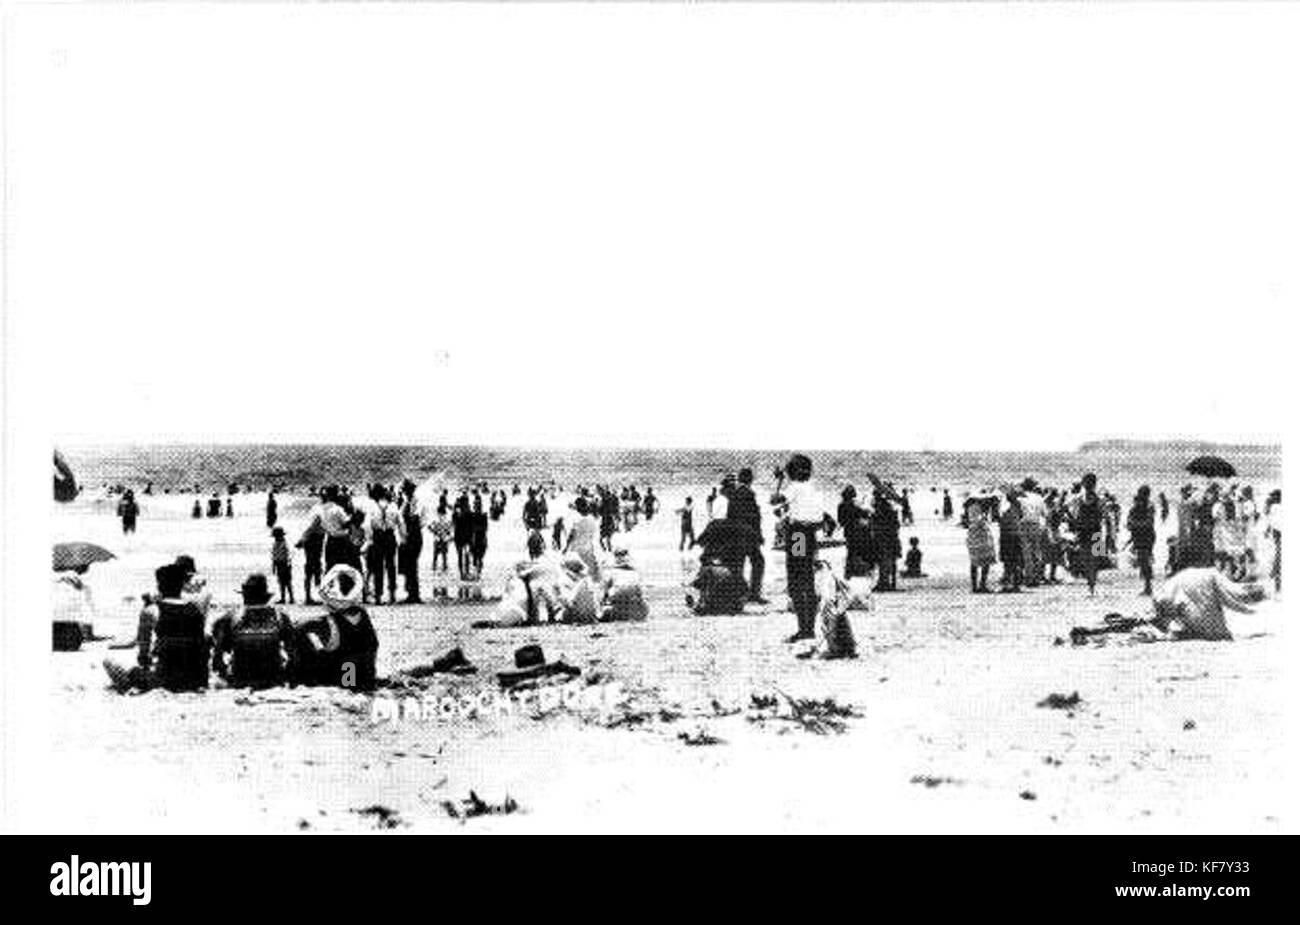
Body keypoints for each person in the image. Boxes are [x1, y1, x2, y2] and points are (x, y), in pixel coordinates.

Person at [104, 563, 212, 693]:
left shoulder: (152, 611)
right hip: (196, 680)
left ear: (159, 585)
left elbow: (143, 654)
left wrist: (148, 664)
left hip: (165, 680)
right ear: (182, 585)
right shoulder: (196, 610)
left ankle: (132, 685)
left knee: (109, 662)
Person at [294, 565, 379, 690]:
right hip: (366, 674)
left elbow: (298, 628)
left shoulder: (326, 621)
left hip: (346, 678)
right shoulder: (363, 616)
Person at [210, 574, 296, 689]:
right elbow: (294, 656)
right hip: (273, 679)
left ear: (244, 596)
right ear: (266, 597)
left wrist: (227, 677)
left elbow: (217, 660)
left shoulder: (229, 618)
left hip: (241, 679)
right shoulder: (280, 617)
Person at [779, 453, 827, 642]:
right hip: (810, 535)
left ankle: (804, 629)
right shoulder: (813, 489)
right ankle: (809, 627)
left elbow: (776, 500)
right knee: (807, 578)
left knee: (797, 580)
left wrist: (780, 482)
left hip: (798, 535)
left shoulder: (795, 488)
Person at [1150, 567, 1259, 641]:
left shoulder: (1166, 597)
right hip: (1196, 582)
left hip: (1189, 586)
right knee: (1215, 633)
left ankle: (1256, 594)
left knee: (1214, 633)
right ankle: (1258, 593)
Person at [726, 468, 767, 603]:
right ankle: (754, 593)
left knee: (738, 564)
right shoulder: (749, 493)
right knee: (758, 562)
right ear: (750, 479)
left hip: (735, 534)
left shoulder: (734, 494)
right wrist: (759, 535)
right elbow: (754, 517)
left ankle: (736, 594)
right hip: (748, 535)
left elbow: (730, 515)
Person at [367, 487, 403, 604]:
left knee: (378, 567)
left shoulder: (372, 507)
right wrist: (402, 537)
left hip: (377, 537)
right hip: (389, 536)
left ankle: (378, 595)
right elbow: (400, 523)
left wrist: (370, 539)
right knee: (391, 566)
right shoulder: (393, 506)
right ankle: (392, 594)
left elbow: (367, 525)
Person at [1072, 473, 1104, 595]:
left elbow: (1074, 514)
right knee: (1092, 559)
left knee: (1089, 558)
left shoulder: (1080, 498)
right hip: (1094, 530)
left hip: (1087, 531)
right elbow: (1104, 515)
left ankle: (1091, 585)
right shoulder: (1098, 499)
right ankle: (1091, 584)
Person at [601, 544, 649, 622]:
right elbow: (640, 592)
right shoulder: (636, 571)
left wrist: (602, 604)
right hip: (632, 603)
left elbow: (604, 591)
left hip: (617, 603)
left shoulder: (610, 571)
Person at [397, 479, 426, 604]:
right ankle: (411, 592)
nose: (405, 493)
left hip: (414, 536)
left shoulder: (417, 502)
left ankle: (414, 594)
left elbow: (416, 518)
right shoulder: (405, 503)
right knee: (409, 565)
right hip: (409, 536)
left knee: (412, 565)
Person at [837, 486, 874, 579]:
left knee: (850, 552)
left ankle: (849, 573)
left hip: (848, 531)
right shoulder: (853, 506)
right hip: (856, 532)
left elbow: (840, 521)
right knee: (857, 552)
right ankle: (857, 571)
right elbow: (864, 513)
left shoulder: (841, 505)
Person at [1127, 485, 1157, 596]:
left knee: (1144, 560)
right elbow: (1130, 521)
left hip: (1146, 536)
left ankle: (1148, 586)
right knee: (1143, 560)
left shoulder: (1148, 506)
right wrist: (1135, 526)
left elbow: (1148, 522)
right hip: (1142, 536)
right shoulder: (1139, 506)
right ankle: (1147, 586)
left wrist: (1135, 525)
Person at [565, 496, 601, 583]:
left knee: (573, 573)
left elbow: (571, 535)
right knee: (592, 570)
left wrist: (565, 548)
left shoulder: (576, 520)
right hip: (589, 548)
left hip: (577, 549)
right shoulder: (592, 519)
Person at [965, 499, 996, 593]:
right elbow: (978, 522)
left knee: (975, 562)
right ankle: (982, 584)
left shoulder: (971, 508)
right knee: (985, 562)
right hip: (980, 539)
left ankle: (975, 586)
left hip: (973, 539)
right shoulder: (977, 510)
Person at [997, 492, 1023, 592]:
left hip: (1007, 537)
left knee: (1008, 562)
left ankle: (1007, 584)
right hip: (1015, 536)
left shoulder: (1006, 509)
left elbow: (1002, 523)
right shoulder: (1017, 509)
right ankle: (1015, 584)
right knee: (1016, 561)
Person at [427, 508, 453, 595]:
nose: (441, 516)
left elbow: (429, 527)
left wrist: (436, 533)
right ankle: (441, 567)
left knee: (439, 555)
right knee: (440, 555)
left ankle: (438, 567)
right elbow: (450, 531)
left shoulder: (438, 521)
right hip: (441, 540)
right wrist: (446, 536)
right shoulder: (445, 521)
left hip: (439, 539)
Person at [271, 527, 295, 604]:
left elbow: (287, 556)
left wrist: (286, 565)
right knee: (282, 582)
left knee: (287, 582)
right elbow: (274, 557)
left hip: (284, 565)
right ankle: (284, 598)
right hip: (280, 564)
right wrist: (274, 566)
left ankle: (290, 598)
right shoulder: (277, 544)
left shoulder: (283, 544)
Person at [469, 493, 490, 579]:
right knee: (477, 557)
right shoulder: (480, 516)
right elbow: (485, 528)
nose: (476, 508)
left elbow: (485, 527)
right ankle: (478, 573)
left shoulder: (477, 516)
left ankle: (478, 573)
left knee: (478, 557)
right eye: (476, 506)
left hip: (478, 538)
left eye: (477, 506)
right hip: (478, 538)